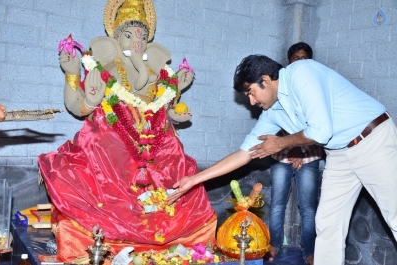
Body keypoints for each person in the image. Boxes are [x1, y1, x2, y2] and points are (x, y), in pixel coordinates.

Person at [167, 54, 397, 265]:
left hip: (372, 138)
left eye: (250, 92)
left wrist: (279, 144)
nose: (252, 102)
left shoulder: (302, 72)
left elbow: (320, 132)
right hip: (338, 153)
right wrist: (195, 179)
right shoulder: (273, 112)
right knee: (328, 224)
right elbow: (244, 154)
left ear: (265, 80)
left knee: (394, 213)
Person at [38, 0, 216, 262]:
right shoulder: (104, 68)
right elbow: (79, 108)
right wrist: (73, 76)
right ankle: (102, 240)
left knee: (175, 157)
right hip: (111, 140)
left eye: (143, 36)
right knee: (105, 153)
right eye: (129, 35)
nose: (137, 41)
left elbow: (162, 110)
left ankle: (175, 241)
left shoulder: (159, 75)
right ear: (113, 40)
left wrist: (175, 101)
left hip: (155, 144)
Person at [267, 42, 322, 265]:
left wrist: (300, 151)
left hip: (309, 156)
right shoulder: (282, 83)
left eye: (304, 57)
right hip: (282, 154)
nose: (299, 61)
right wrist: (292, 149)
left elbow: (315, 124)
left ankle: (309, 251)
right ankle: (273, 246)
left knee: (308, 207)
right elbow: (276, 120)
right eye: (295, 57)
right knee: (277, 203)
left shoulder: (313, 84)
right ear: (289, 60)